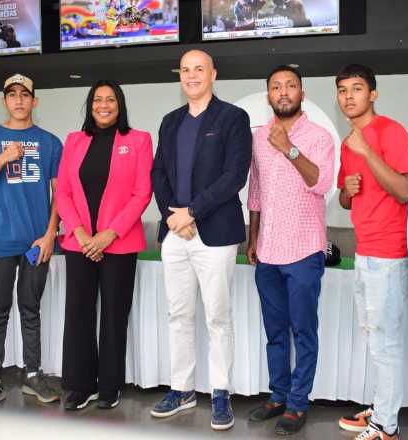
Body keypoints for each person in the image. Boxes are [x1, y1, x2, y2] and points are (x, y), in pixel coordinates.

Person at [150, 49, 252, 430]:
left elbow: (234, 176)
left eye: (199, 69)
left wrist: (191, 213)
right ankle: (183, 389)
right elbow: (158, 173)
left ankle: (221, 392)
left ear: (213, 74)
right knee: (179, 315)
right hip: (175, 232)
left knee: (217, 317)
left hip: (214, 232)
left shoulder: (233, 118)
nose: (192, 76)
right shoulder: (170, 121)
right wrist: (173, 218)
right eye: (186, 70)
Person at [246, 65, 335, 436]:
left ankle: (299, 403)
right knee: (276, 332)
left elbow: (322, 182)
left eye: (290, 86)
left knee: (303, 331)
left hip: (304, 252)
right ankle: (278, 394)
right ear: (268, 95)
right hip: (267, 252)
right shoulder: (258, 136)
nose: (283, 92)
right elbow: (256, 192)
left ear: (302, 92)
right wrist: (252, 238)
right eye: (276, 87)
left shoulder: (319, 136)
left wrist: (290, 149)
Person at [0, 74, 62, 405]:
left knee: (30, 309)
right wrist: (2, 159)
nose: (19, 100)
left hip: (37, 243)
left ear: (34, 101)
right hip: (1, 241)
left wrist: (50, 235)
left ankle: (33, 375)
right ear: (4, 101)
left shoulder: (49, 141)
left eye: (25, 95)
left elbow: (60, 194)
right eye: (11, 95)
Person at [56, 80, 153, 411]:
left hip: (119, 243)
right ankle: (79, 386)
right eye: (97, 99)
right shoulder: (74, 141)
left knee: (114, 315)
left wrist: (108, 234)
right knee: (79, 314)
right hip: (79, 243)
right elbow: (64, 193)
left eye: (110, 99)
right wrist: (82, 235)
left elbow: (143, 193)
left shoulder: (138, 140)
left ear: (120, 104)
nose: (104, 105)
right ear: (90, 104)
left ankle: (110, 386)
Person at [334, 64, 408, 440]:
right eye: (342, 90)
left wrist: (366, 150)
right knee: (373, 337)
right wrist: (347, 190)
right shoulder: (348, 141)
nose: (348, 96)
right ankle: (382, 409)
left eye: (357, 89)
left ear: (373, 94)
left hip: (389, 252)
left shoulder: (390, 132)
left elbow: (403, 190)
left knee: (386, 342)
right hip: (364, 251)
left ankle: (387, 426)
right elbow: (348, 200)